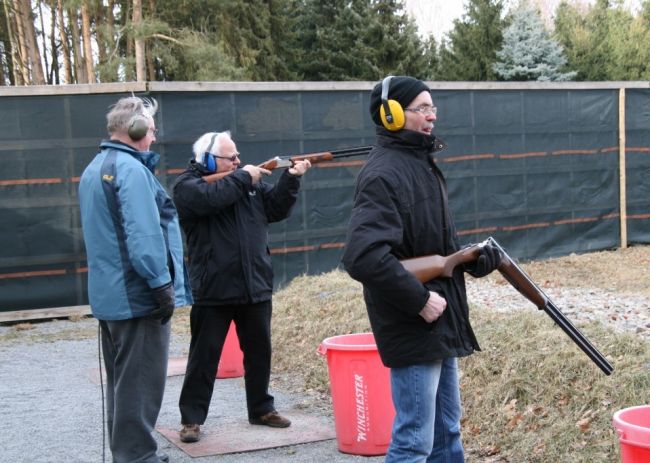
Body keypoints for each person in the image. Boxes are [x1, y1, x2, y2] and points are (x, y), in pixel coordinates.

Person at [342, 76, 501, 463]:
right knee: (414, 441)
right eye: (423, 108)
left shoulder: (419, 165)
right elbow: (363, 256)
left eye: (433, 107)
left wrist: (473, 259)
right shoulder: (384, 174)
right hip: (413, 322)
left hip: (438, 319)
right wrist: (419, 300)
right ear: (392, 115)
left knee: (447, 433)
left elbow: (433, 248)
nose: (433, 116)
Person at [172, 131, 311, 443]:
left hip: (255, 284)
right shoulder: (187, 185)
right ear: (208, 160)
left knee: (260, 352)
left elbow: (276, 210)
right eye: (230, 157)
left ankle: (261, 408)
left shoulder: (248, 181)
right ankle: (191, 419)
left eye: (237, 156)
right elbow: (210, 200)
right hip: (214, 288)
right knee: (204, 358)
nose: (237, 161)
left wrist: (291, 179)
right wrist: (244, 176)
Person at [78, 96, 192, 463]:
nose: (154, 138)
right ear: (136, 128)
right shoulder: (130, 171)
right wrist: (161, 285)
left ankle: (129, 453)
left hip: (113, 296)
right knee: (141, 382)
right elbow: (144, 235)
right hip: (137, 295)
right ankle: (138, 456)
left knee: (123, 383)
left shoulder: (95, 168)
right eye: (152, 130)